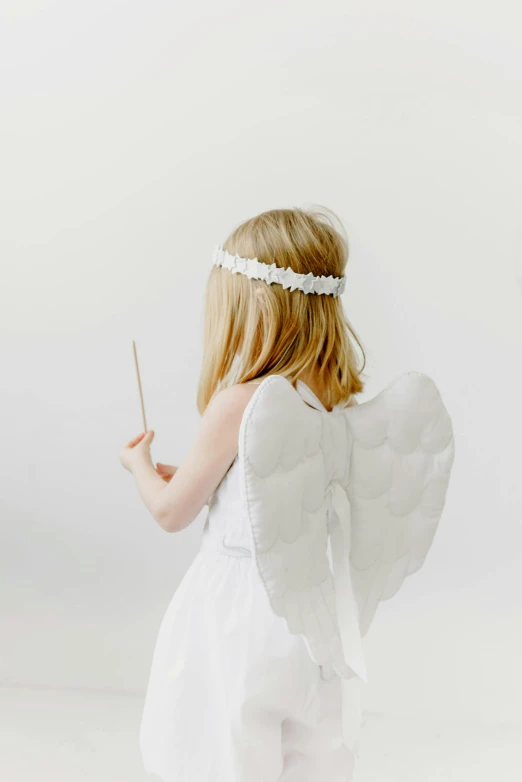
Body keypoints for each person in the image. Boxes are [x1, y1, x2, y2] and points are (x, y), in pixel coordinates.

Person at [119, 207, 455, 782]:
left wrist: (141, 467)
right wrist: (210, 478)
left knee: (223, 748)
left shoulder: (239, 402)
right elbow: (270, 488)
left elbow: (172, 513)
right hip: (308, 623)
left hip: (236, 618)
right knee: (307, 757)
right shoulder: (332, 400)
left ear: (253, 310)